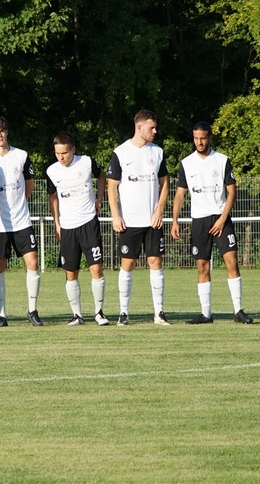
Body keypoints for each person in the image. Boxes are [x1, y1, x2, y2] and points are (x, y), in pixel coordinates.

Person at [170, 122, 253, 324]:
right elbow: (179, 195)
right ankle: (206, 314)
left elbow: (231, 192)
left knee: (231, 261)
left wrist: (223, 219)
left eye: (203, 138)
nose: (199, 142)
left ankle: (238, 310)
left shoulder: (222, 160)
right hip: (199, 220)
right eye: (196, 138)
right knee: (202, 266)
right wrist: (174, 221)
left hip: (220, 218)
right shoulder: (186, 163)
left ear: (210, 138)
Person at [107, 109, 170, 325]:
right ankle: (123, 313)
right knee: (127, 264)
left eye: (155, 127)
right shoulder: (120, 152)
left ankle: (159, 313)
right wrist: (116, 216)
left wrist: (159, 210)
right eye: (151, 127)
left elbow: (165, 183)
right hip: (129, 221)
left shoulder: (157, 152)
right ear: (139, 127)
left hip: (152, 221)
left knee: (155, 262)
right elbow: (111, 187)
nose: (155, 131)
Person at [46, 133, 109, 326]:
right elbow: (52, 197)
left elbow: (102, 176)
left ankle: (99, 313)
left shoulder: (86, 162)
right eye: (57, 153)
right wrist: (57, 223)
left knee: (96, 268)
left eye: (64, 153)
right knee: (70, 272)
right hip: (67, 227)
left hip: (89, 223)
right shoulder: (52, 171)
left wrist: (99, 199)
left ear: (73, 149)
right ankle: (77, 315)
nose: (61, 157)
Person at [0, 116, 41, 326]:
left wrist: (19, 205)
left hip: (22, 222)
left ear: (7, 132)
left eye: (2, 131)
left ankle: (32, 310)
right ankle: (2, 315)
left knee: (33, 263)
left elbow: (29, 184)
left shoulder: (21, 156)